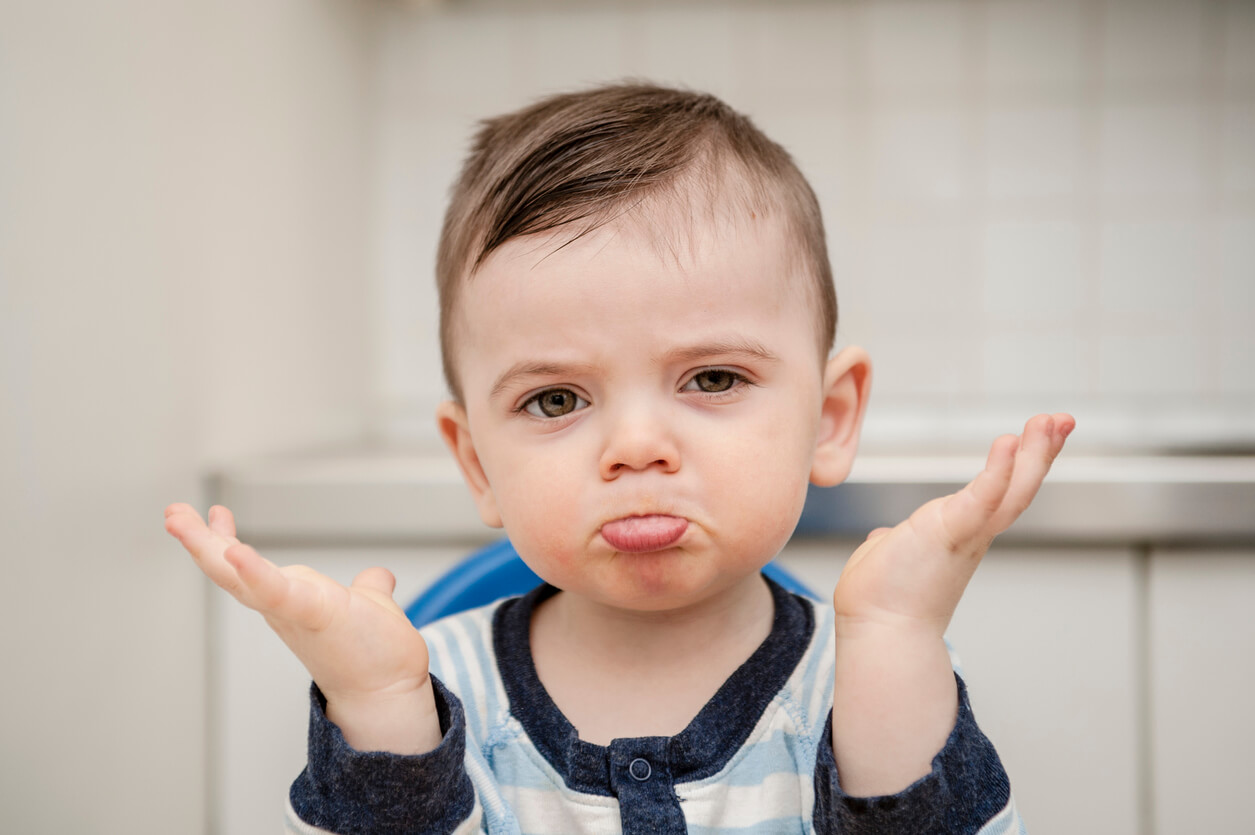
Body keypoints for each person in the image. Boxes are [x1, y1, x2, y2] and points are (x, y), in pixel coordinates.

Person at [166, 82, 1073, 834]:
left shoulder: (870, 677)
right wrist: (377, 705)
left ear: (830, 416)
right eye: (555, 399)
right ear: (476, 461)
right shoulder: (430, 690)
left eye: (712, 378)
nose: (636, 447)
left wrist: (895, 638)